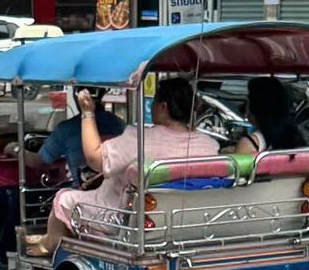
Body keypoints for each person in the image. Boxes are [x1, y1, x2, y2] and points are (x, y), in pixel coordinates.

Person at [49, 74, 215, 235]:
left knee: (64, 198)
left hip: (129, 218)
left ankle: (50, 243)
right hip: (195, 217)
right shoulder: (208, 143)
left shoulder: (140, 139)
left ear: (163, 107)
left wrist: (87, 113)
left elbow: (94, 159)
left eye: (154, 102)